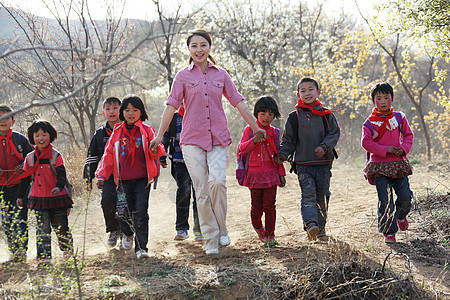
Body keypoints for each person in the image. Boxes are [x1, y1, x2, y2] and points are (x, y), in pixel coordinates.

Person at [150, 29, 266, 255]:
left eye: (203, 45)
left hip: (218, 138)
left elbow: (238, 101)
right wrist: (158, 135)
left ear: (209, 47)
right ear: (189, 50)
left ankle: (222, 228)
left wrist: (255, 126)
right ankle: (210, 237)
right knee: (201, 189)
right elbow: (171, 107)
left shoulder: (221, 75)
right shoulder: (183, 76)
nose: (199, 49)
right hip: (191, 139)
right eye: (194, 46)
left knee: (217, 183)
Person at [96, 95, 165, 259]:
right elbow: (109, 155)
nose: (131, 113)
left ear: (141, 112)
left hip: (142, 181)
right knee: (121, 212)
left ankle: (142, 249)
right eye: (127, 110)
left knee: (140, 213)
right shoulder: (117, 132)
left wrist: (155, 149)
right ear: (123, 113)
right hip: (122, 182)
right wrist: (101, 175)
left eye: (135, 110)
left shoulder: (147, 130)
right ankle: (127, 233)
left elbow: (158, 150)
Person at [275, 77, 340, 241]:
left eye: (310, 89)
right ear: (298, 94)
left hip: (324, 164)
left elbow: (334, 134)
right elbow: (288, 140)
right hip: (303, 165)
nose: (307, 93)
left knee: (323, 195)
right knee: (308, 195)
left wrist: (324, 147)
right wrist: (282, 155)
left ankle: (321, 227)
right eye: (303, 90)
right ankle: (311, 224)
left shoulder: (326, 114)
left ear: (318, 92)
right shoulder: (294, 117)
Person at [362, 81, 414, 243]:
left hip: (399, 164)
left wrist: (403, 148)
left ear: (392, 98)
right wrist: (386, 150)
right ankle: (389, 232)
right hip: (379, 166)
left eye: (386, 97)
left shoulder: (400, 117)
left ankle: (401, 216)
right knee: (386, 200)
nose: (383, 101)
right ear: (373, 101)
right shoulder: (369, 122)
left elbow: (408, 135)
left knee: (405, 195)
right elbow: (366, 142)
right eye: (379, 98)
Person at [16, 120, 73, 266]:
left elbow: (61, 176)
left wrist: (58, 188)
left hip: (57, 197)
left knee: (61, 227)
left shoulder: (56, 156)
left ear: (51, 135)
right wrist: (20, 196)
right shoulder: (29, 158)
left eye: (44, 134)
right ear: (32, 137)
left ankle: (67, 251)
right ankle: (44, 257)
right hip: (38, 198)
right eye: (37, 135)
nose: (41, 138)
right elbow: (25, 179)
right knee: (42, 228)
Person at [237, 96, 286, 248]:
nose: (267, 117)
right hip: (254, 175)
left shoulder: (275, 132)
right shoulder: (249, 130)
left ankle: (270, 236)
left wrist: (281, 173)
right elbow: (241, 149)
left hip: (271, 175)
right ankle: (258, 227)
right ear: (256, 113)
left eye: (270, 114)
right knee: (256, 208)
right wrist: (254, 140)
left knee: (270, 206)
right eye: (263, 113)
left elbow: (278, 155)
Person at [159, 104, 204, 241]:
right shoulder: (173, 117)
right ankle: (181, 228)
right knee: (184, 191)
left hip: (199, 161)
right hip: (180, 160)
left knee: (199, 194)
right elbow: (165, 136)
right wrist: (162, 156)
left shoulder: (201, 115)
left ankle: (199, 229)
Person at [83, 97, 122, 248]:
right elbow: (92, 158)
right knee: (107, 201)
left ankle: (127, 232)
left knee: (126, 204)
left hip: (128, 176)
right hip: (109, 177)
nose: (112, 111)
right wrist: (88, 178)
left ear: (121, 109)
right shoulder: (100, 134)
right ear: (103, 112)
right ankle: (113, 230)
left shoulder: (128, 129)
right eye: (108, 108)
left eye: (115, 108)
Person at [0, 105, 33, 262]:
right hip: (2, 187)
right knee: (6, 219)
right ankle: (13, 249)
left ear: (12, 121)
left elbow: (32, 157)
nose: (3, 121)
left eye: (7, 117)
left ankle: (22, 250)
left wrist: (24, 167)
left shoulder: (20, 139)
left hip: (21, 185)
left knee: (20, 217)